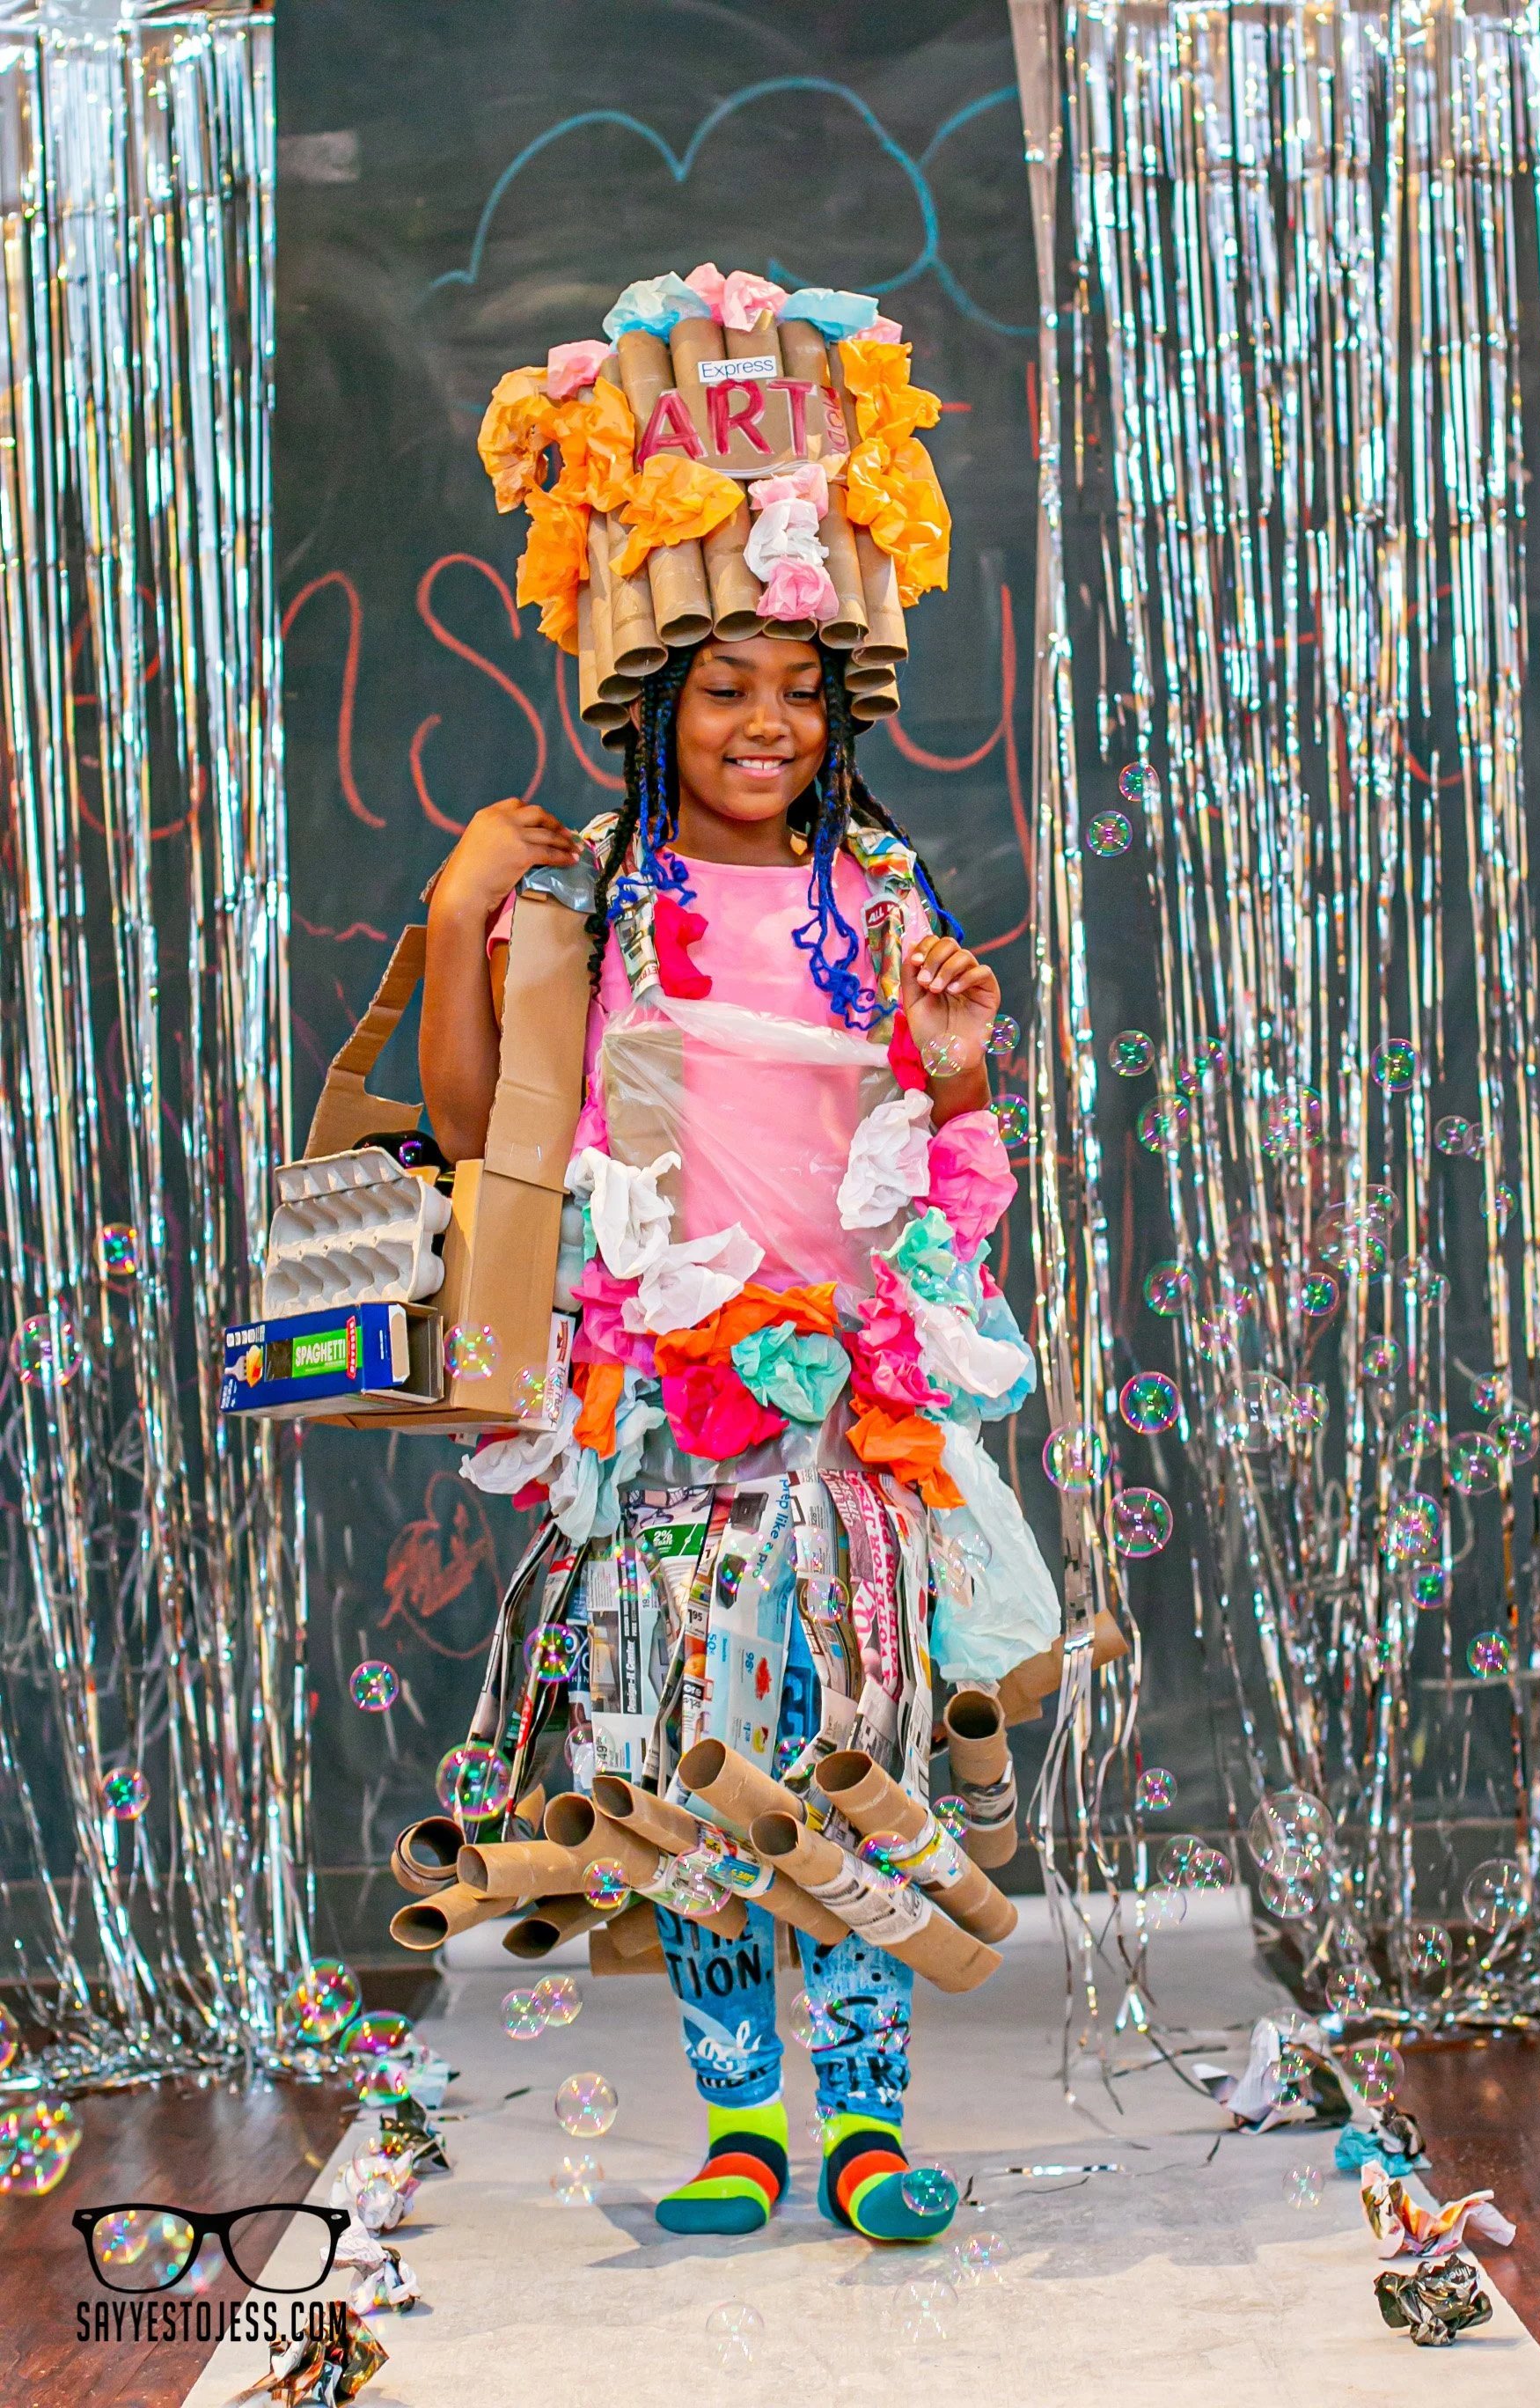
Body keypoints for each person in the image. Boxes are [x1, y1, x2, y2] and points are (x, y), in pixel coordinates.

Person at [417, 272, 1061, 2246]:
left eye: (799, 686)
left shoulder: (885, 892)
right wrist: (458, 916)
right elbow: (487, 1132)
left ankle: (863, 2125)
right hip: (662, 1415)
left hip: (851, 1408)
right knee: (687, 1782)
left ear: (841, 707)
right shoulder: (599, 897)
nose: (766, 721)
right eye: (723, 687)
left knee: (856, 1766)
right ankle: (738, 2127)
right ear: (653, 705)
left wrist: (956, 1066)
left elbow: (952, 1172)